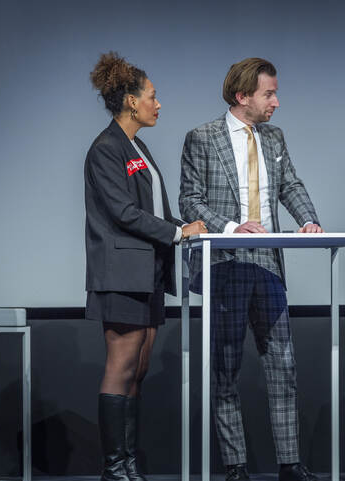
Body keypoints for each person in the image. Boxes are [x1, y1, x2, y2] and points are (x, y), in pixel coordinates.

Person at [179, 58, 322, 481]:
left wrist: (307, 219)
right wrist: (229, 228)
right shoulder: (202, 137)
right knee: (225, 368)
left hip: (268, 262)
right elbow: (190, 199)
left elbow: (290, 185)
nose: (276, 102)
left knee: (284, 364)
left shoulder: (274, 137)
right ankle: (236, 467)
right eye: (268, 94)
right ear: (243, 97)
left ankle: (290, 464)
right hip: (226, 259)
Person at [85, 51, 206, 481]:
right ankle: (114, 468)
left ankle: (129, 463)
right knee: (121, 366)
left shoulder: (139, 146)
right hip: (121, 274)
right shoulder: (106, 148)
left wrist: (185, 226)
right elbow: (122, 211)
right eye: (153, 97)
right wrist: (178, 233)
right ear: (131, 101)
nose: (159, 104)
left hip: (149, 272)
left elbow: (152, 209)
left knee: (140, 367)